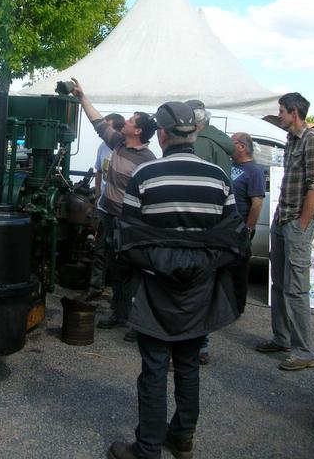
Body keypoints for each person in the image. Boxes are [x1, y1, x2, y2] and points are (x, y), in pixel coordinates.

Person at [107, 101, 247, 459]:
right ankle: (182, 437)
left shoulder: (145, 176)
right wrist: (201, 262)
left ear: (164, 135)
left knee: (154, 367)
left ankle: (148, 447)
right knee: (187, 365)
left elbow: (129, 237)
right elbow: (232, 235)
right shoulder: (219, 178)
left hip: (156, 286)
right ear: (195, 132)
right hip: (200, 287)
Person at [70, 78, 156, 339]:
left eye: (131, 120)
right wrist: (82, 97)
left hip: (127, 222)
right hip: (108, 215)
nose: (126, 122)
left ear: (138, 131)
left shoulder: (147, 161)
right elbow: (97, 122)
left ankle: (134, 321)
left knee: (129, 271)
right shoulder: (118, 142)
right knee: (111, 264)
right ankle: (120, 314)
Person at [255, 92, 314, 371]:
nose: (278, 114)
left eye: (281, 110)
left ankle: (304, 352)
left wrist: (302, 224)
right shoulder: (292, 139)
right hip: (284, 219)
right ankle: (281, 338)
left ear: (294, 112)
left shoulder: (311, 140)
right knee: (278, 284)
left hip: (295, 223)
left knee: (295, 290)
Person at [186, 99, 235, 364]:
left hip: (198, 224)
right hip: (217, 222)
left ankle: (191, 345)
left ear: (194, 121)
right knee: (206, 283)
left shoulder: (200, 144)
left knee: (190, 285)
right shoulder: (220, 140)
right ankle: (202, 344)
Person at [84, 113, 125, 301]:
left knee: (119, 253)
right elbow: (99, 170)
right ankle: (95, 288)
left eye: (107, 128)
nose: (103, 133)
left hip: (121, 212)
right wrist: (97, 195)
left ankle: (117, 294)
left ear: (117, 130)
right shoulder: (102, 147)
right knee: (99, 249)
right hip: (103, 208)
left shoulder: (125, 150)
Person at [230, 132, 266, 312]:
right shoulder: (230, 164)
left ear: (242, 147)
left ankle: (237, 307)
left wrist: (248, 228)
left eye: (232, 142)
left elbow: (257, 204)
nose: (228, 145)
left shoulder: (254, 171)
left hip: (240, 228)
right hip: (226, 227)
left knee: (239, 268)